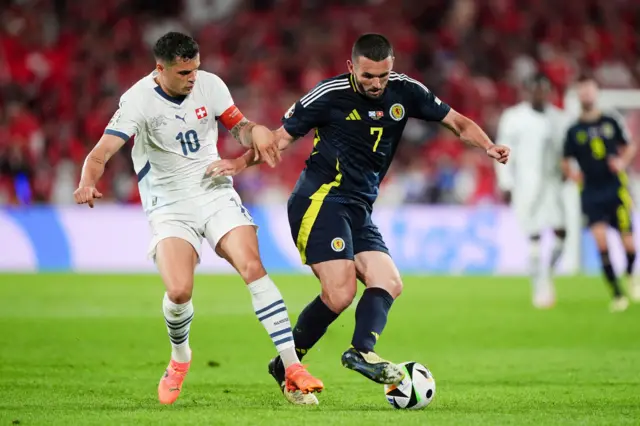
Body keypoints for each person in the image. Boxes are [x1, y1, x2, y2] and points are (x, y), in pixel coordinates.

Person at [208, 33, 510, 404]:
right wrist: (238, 163)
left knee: (389, 280)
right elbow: (278, 140)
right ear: (352, 67)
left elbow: (458, 123)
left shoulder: (406, 90)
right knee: (341, 292)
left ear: (392, 66)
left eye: (383, 76)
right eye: (368, 76)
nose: (376, 84)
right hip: (319, 200)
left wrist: (488, 146)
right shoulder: (328, 95)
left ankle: (358, 352)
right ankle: (291, 365)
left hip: (359, 207)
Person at [73, 32, 323, 405]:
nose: (193, 78)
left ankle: (291, 368)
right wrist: (86, 184)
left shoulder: (210, 86)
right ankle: (180, 357)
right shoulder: (137, 101)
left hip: (214, 191)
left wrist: (254, 131)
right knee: (179, 291)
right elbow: (99, 154)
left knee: (252, 266)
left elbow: (239, 127)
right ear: (161, 69)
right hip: (169, 206)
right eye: (184, 72)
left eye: (196, 69)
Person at [562, 75, 640, 312]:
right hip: (591, 193)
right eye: (582, 92)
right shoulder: (574, 130)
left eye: (589, 91)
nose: (586, 95)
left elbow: (630, 146)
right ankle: (617, 294)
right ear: (578, 96)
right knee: (601, 242)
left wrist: (622, 162)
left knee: (629, 245)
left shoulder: (610, 121)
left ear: (596, 93)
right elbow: (565, 160)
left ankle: (629, 275)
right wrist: (573, 175)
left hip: (616, 189)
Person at [494, 72, 568, 309]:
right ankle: (539, 285)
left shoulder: (559, 118)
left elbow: (566, 151)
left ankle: (546, 275)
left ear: (549, 92)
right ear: (527, 91)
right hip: (526, 186)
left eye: (544, 90)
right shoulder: (514, 117)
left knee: (561, 234)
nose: (540, 94)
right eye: (535, 89)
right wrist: (506, 182)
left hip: (553, 185)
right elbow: (503, 151)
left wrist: (569, 169)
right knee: (534, 236)